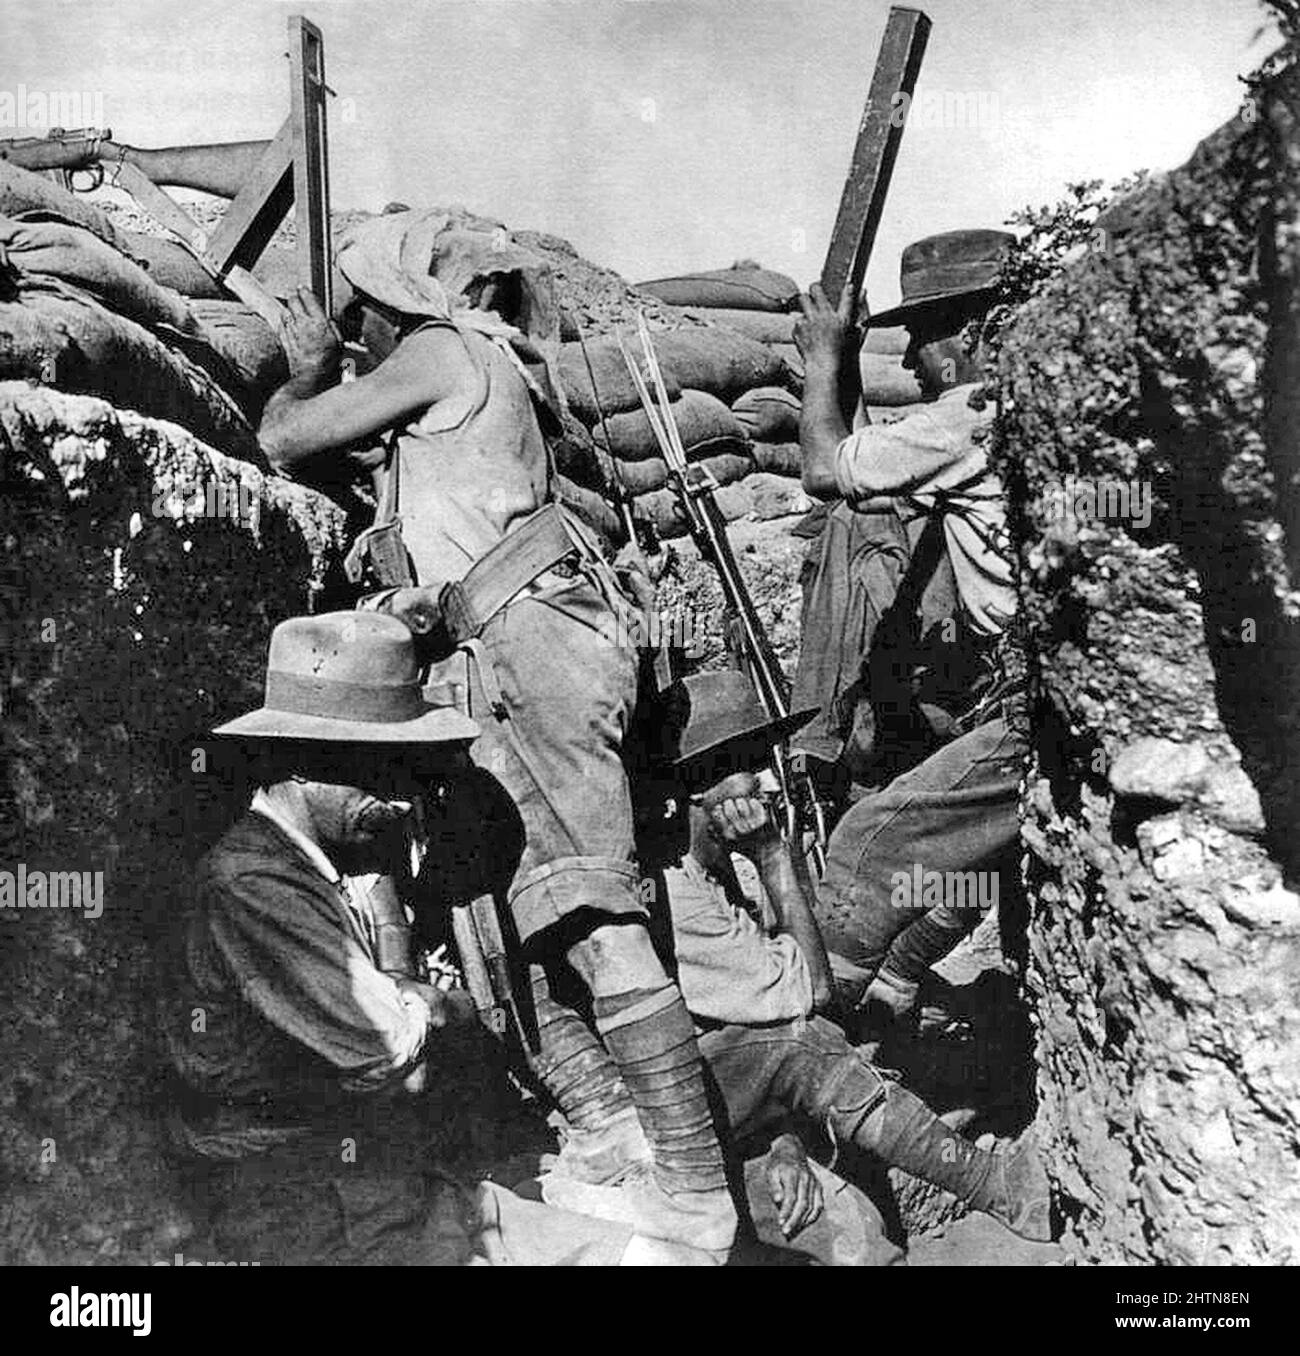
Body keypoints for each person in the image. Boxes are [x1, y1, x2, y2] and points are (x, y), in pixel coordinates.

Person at [254, 210, 734, 1256]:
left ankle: (695, 1190)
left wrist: (306, 369)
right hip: (524, 648)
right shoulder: (496, 363)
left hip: (523, 652)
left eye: (361, 318)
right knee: (515, 905)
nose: (363, 338)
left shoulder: (439, 350)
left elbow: (283, 439)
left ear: (397, 305)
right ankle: (615, 1134)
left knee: (588, 906)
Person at [164, 610, 705, 1265]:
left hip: (386, 1181)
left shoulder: (335, 859)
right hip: (299, 1209)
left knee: (658, 1259)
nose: (399, 800)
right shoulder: (251, 886)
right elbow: (385, 1047)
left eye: (405, 772)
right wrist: (440, 1004)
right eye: (378, 773)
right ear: (296, 762)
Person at [627, 669, 1052, 1247]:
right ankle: (1030, 740)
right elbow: (810, 999)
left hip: (810, 1010)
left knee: (948, 884)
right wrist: (775, 853)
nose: (769, 785)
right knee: (868, 844)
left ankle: (911, 967)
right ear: (698, 788)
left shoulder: (724, 867)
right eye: (750, 767)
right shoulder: (683, 896)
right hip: (745, 1062)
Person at [793, 230, 1030, 1027]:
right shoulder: (1024, 403)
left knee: (868, 846)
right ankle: (895, 990)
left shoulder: (973, 413)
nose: (919, 364)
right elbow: (876, 462)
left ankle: (826, 1039)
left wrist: (825, 361)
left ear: (970, 337)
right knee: (978, 857)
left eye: (926, 339)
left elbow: (828, 470)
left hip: (1034, 697)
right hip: (1033, 683)